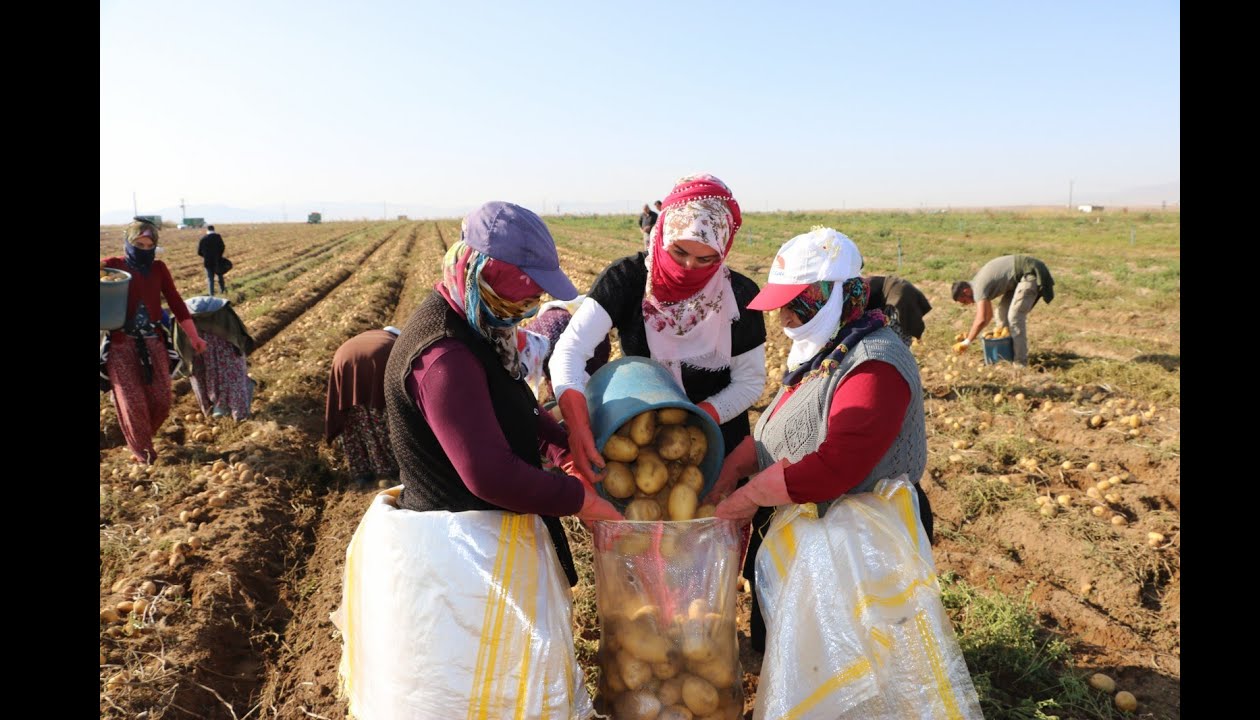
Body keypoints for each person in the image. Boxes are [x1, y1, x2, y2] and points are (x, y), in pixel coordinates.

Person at [332, 201, 619, 718]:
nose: (537, 298)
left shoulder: (480, 323)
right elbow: (487, 474)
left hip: (491, 541)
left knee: (514, 681)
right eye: (530, 285)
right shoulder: (443, 355)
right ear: (489, 273)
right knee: (476, 686)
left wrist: (563, 445)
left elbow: (515, 406)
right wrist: (580, 501)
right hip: (459, 558)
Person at [707, 227, 931, 652]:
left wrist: (747, 497)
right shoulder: (828, 350)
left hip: (861, 544)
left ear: (832, 296)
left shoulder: (874, 362)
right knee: (795, 654)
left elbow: (837, 466)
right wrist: (735, 468)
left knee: (852, 661)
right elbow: (785, 426)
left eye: (794, 306)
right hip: (811, 532)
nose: (782, 319)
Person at [549, 173, 767, 484]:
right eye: (679, 252)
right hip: (638, 441)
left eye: (705, 259)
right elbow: (569, 350)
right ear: (661, 232)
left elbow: (750, 381)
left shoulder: (739, 296)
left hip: (715, 441)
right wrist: (578, 423)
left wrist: (700, 420)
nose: (689, 267)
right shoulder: (627, 279)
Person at [101, 218, 208, 463]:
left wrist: (194, 337)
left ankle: (141, 437)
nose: (144, 249)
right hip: (120, 344)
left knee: (162, 399)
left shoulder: (159, 268)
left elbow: (177, 304)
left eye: (150, 245)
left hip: (153, 342)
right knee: (133, 403)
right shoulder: (113, 266)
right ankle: (144, 455)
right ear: (128, 241)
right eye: (139, 243)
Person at [324, 328, 402, 487]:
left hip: (342, 359)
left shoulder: (371, 336)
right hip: (377, 360)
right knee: (384, 417)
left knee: (354, 419)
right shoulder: (394, 342)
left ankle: (362, 472)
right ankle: (392, 469)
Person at [950, 254, 1055, 365]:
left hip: (1030, 272)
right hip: (1017, 280)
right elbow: (987, 317)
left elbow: (980, 319)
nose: (969, 303)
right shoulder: (976, 285)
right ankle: (1005, 355)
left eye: (965, 301)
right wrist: (972, 334)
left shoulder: (978, 289)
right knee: (1001, 315)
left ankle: (1020, 362)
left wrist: (967, 342)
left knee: (1014, 316)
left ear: (966, 291)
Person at [175, 296, 256, 421]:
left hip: (193, 336)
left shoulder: (181, 318)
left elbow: (179, 346)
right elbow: (239, 334)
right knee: (232, 373)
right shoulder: (223, 315)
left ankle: (211, 410)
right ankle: (239, 414)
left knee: (199, 374)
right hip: (219, 336)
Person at [867, 274, 933, 345]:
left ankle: (901, 351)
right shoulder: (864, 285)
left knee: (896, 336)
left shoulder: (864, 289)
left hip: (900, 296)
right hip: (900, 290)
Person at [197, 224, 227, 296]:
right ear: (214, 229)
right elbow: (222, 247)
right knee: (220, 276)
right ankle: (222, 291)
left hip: (207, 262)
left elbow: (199, 252)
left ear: (207, 230)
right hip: (217, 260)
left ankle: (211, 294)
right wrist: (219, 255)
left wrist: (206, 256)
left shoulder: (203, 239)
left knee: (210, 279)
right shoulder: (218, 237)